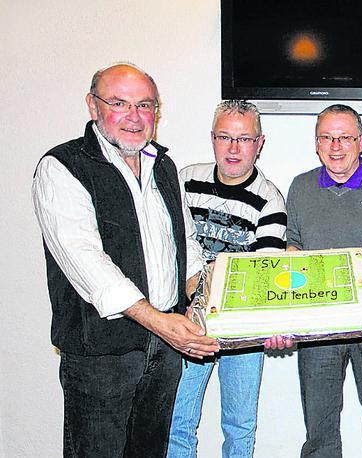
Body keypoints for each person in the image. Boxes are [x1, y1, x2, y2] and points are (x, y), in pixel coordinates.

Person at [31, 63, 220, 458]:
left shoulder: (164, 167)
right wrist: (161, 323)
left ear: (156, 111)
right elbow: (88, 265)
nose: (134, 117)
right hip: (102, 356)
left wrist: (211, 306)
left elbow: (185, 250)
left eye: (145, 105)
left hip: (164, 353)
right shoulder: (63, 167)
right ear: (93, 106)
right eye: (119, 103)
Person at [279, 104, 362, 458]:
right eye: (327, 138)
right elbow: (294, 242)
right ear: (316, 143)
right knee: (319, 430)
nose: (336, 146)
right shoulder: (301, 187)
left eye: (345, 138)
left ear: (361, 142)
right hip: (317, 324)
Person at [167, 100, 287, 457]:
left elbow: (264, 275)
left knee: (240, 428)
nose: (233, 148)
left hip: (242, 327)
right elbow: (168, 245)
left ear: (259, 143)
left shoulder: (270, 201)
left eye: (244, 139)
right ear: (212, 138)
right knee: (177, 423)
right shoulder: (185, 180)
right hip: (186, 324)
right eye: (225, 137)